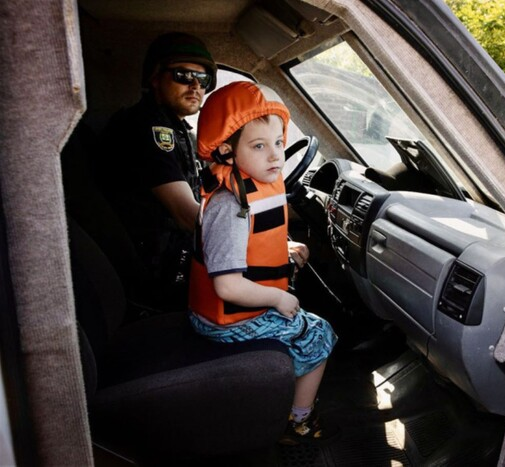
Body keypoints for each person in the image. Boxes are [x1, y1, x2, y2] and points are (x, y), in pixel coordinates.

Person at [187, 81, 338, 445]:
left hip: (236, 308)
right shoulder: (231, 207)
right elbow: (227, 286)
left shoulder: (248, 191)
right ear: (225, 150)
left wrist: (281, 248)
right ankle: (297, 422)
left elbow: (250, 243)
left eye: (278, 143)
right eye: (259, 146)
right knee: (319, 335)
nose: (275, 156)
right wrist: (277, 298)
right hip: (226, 322)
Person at [97, 32, 217, 312]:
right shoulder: (146, 127)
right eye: (183, 75)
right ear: (154, 78)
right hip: (158, 279)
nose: (195, 85)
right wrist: (259, 242)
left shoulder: (177, 129)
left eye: (203, 79)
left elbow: (202, 190)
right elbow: (188, 215)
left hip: (171, 259)